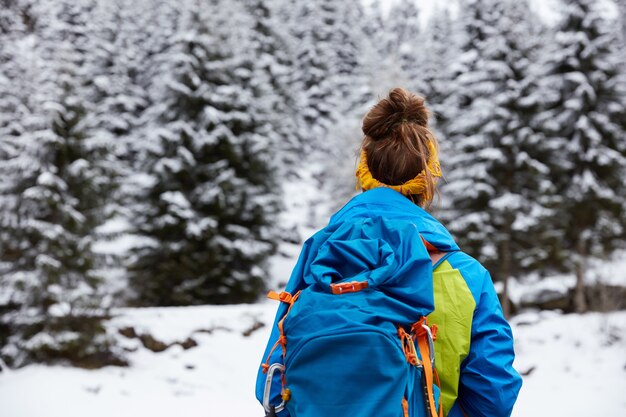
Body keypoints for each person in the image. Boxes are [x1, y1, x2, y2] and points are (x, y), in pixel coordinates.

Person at [256, 88, 522, 417]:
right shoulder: (467, 276)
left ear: (363, 171)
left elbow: (270, 382)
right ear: (428, 178)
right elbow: (493, 397)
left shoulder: (321, 257)